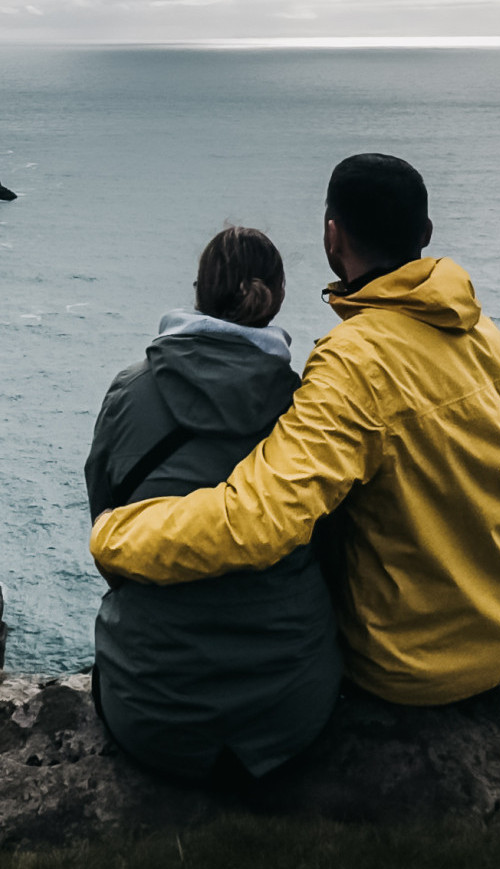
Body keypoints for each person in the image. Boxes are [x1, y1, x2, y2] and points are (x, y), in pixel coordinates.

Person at [91, 154, 500, 707]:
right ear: (425, 233)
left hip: (412, 662)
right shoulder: (487, 335)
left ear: (333, 237)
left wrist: (116, 535)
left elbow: (260, 519)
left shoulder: (356, 359)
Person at [86, 227, 341, 782]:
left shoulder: (129, 392)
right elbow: (333, 544)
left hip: (150, 709)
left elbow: (105, 527)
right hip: (290, 711)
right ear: (275, 295)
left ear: (199, 291)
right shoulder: (307, 410)